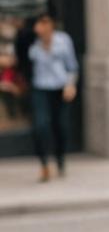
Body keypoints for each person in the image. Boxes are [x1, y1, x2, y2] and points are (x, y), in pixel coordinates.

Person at [28, 12, 78, 182]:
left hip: (60, 88)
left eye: (45, 22)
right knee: (40, 125)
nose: (42, 27)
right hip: (40, 88)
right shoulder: (32, 43)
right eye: (39, 23)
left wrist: (70, 85)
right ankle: (44, 164)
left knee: (61, 126)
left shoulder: (63, 41)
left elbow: (72, 66)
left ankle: (60, 158)